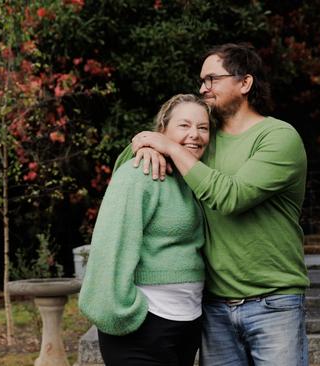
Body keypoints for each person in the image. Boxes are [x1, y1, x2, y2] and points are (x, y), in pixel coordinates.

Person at [127, 43, 310, 366]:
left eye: (211, 79)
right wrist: (148, 147)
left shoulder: (279, 137)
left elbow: (231, 197)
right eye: (202, 80)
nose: (202, 88)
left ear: (245, 83)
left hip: (274, 303)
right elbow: (152, 145)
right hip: (214, 307)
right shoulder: (203, 140)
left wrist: (167, 146)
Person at [79, 94, 212, 366]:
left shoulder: (197, 178)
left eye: (203, 127)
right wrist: (118, 312)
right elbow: (110, 243)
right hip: (142, 327)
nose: (194, 135)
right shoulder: (141, 172)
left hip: (187, 326)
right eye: (184, 125)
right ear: (161, 131)